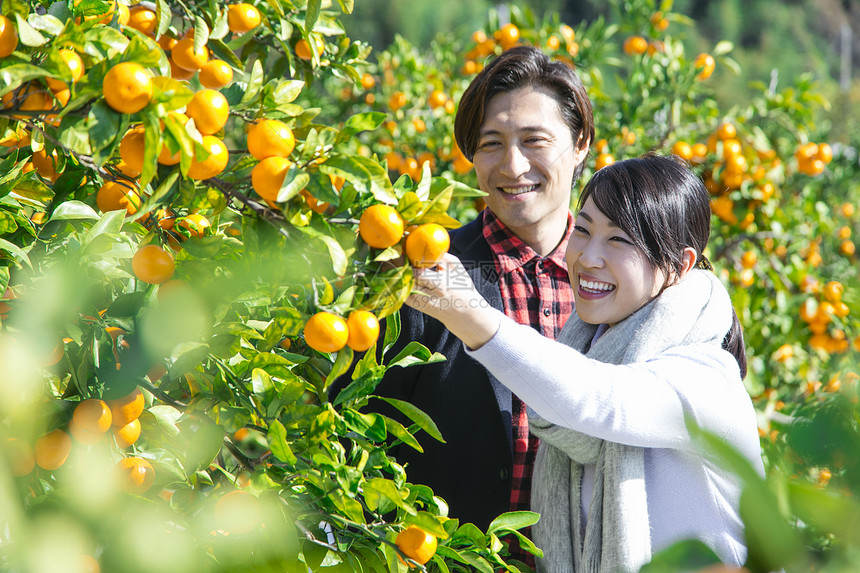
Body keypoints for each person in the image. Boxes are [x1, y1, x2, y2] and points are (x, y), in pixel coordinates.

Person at [405, 154, 764, 572]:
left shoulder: (705, 377)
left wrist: (474, 317)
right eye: (584, 230)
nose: (589, 257)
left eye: (619, 240)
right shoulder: (583, 348)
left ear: (679, 266)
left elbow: (597, 398)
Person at [333, 43, 594, 553]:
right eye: (491, 143)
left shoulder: (615, 283)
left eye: (534, 140)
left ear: (580, 142)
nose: (512, 166)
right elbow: (350, 432)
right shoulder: (422, 278)